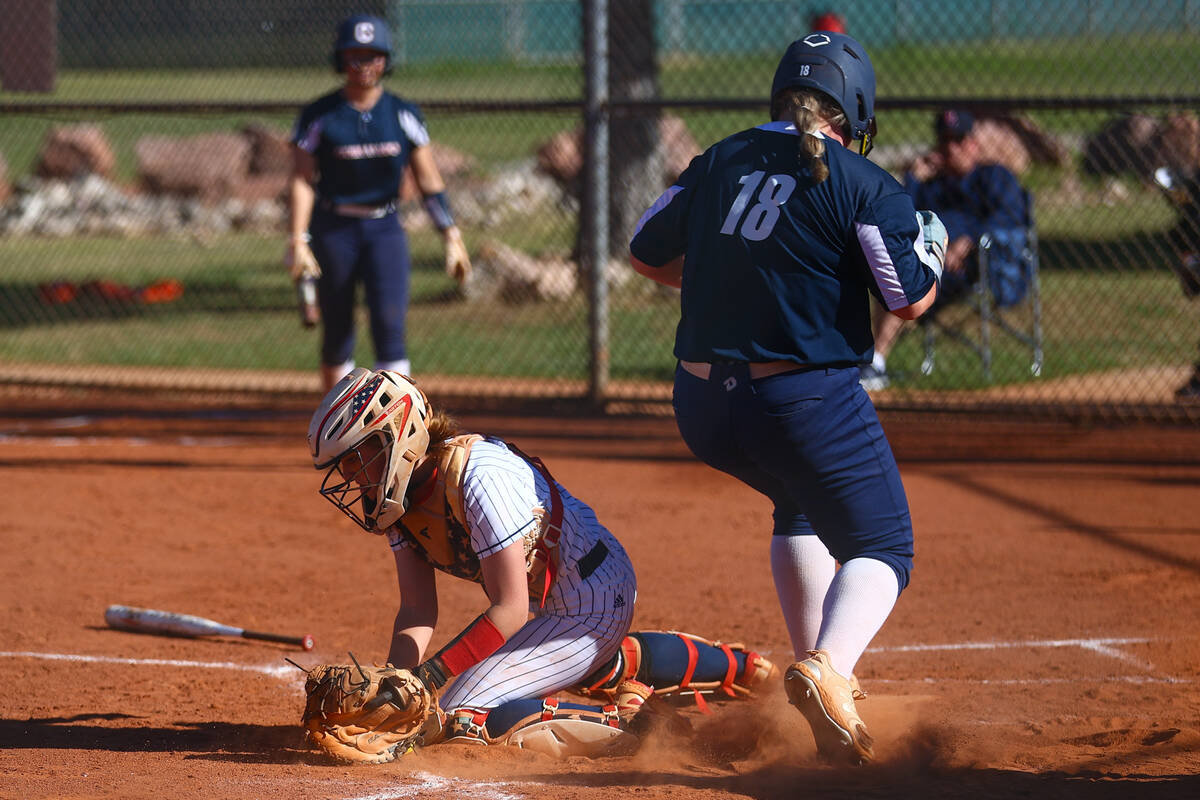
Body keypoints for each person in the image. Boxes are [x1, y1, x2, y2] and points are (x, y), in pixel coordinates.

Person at [628, 32, 945, 765]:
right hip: (797, 405)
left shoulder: (720, 159)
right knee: (881, 545)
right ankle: (827, 670)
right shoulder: (863, 182)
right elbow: (908, 300)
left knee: (799, 503)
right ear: (855, 105)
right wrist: (930, 240)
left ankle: (813, 680)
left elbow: (646, 252)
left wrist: (725, 279)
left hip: (703, 408)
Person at [304, 367, 778, 759]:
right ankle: (741, 666)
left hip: (591, 597)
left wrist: (426, 682)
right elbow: (416, 611)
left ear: (397, 437)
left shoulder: (477, 476)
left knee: (457, 710)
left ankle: (640, 724)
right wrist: (396, 684)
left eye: (355, 460)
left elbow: (509, 610)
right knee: (572, 665)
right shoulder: (399, 502)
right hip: (564, 597)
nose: (352, 477)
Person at [286, 14, 472, 393]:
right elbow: (302, 180)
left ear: (386, 60)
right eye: (355, 56)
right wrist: (297, 239)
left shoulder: (402, 113)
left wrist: (451, 234)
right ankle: (338, 429)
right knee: (337, 329)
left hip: (384, 228)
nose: (364, 65)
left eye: (373, 56)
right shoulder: (320, 114)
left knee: (389, 325)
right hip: (334, 229)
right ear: (341, 60)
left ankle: (397, 426)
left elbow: (428, 180)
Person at [862, 109, 1029, 390]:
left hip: (974, 268)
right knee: (888, 273)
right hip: (926, 264)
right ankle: (866, 360)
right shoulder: (931, 186)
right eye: (945, 142)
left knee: (902, 280)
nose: (952, 149)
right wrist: (913, 178)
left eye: (959, 141)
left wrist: (971, 241)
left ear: (973, 144)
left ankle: (873, 362)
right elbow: (902, 220)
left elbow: (1011, 218)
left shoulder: (994, 178)